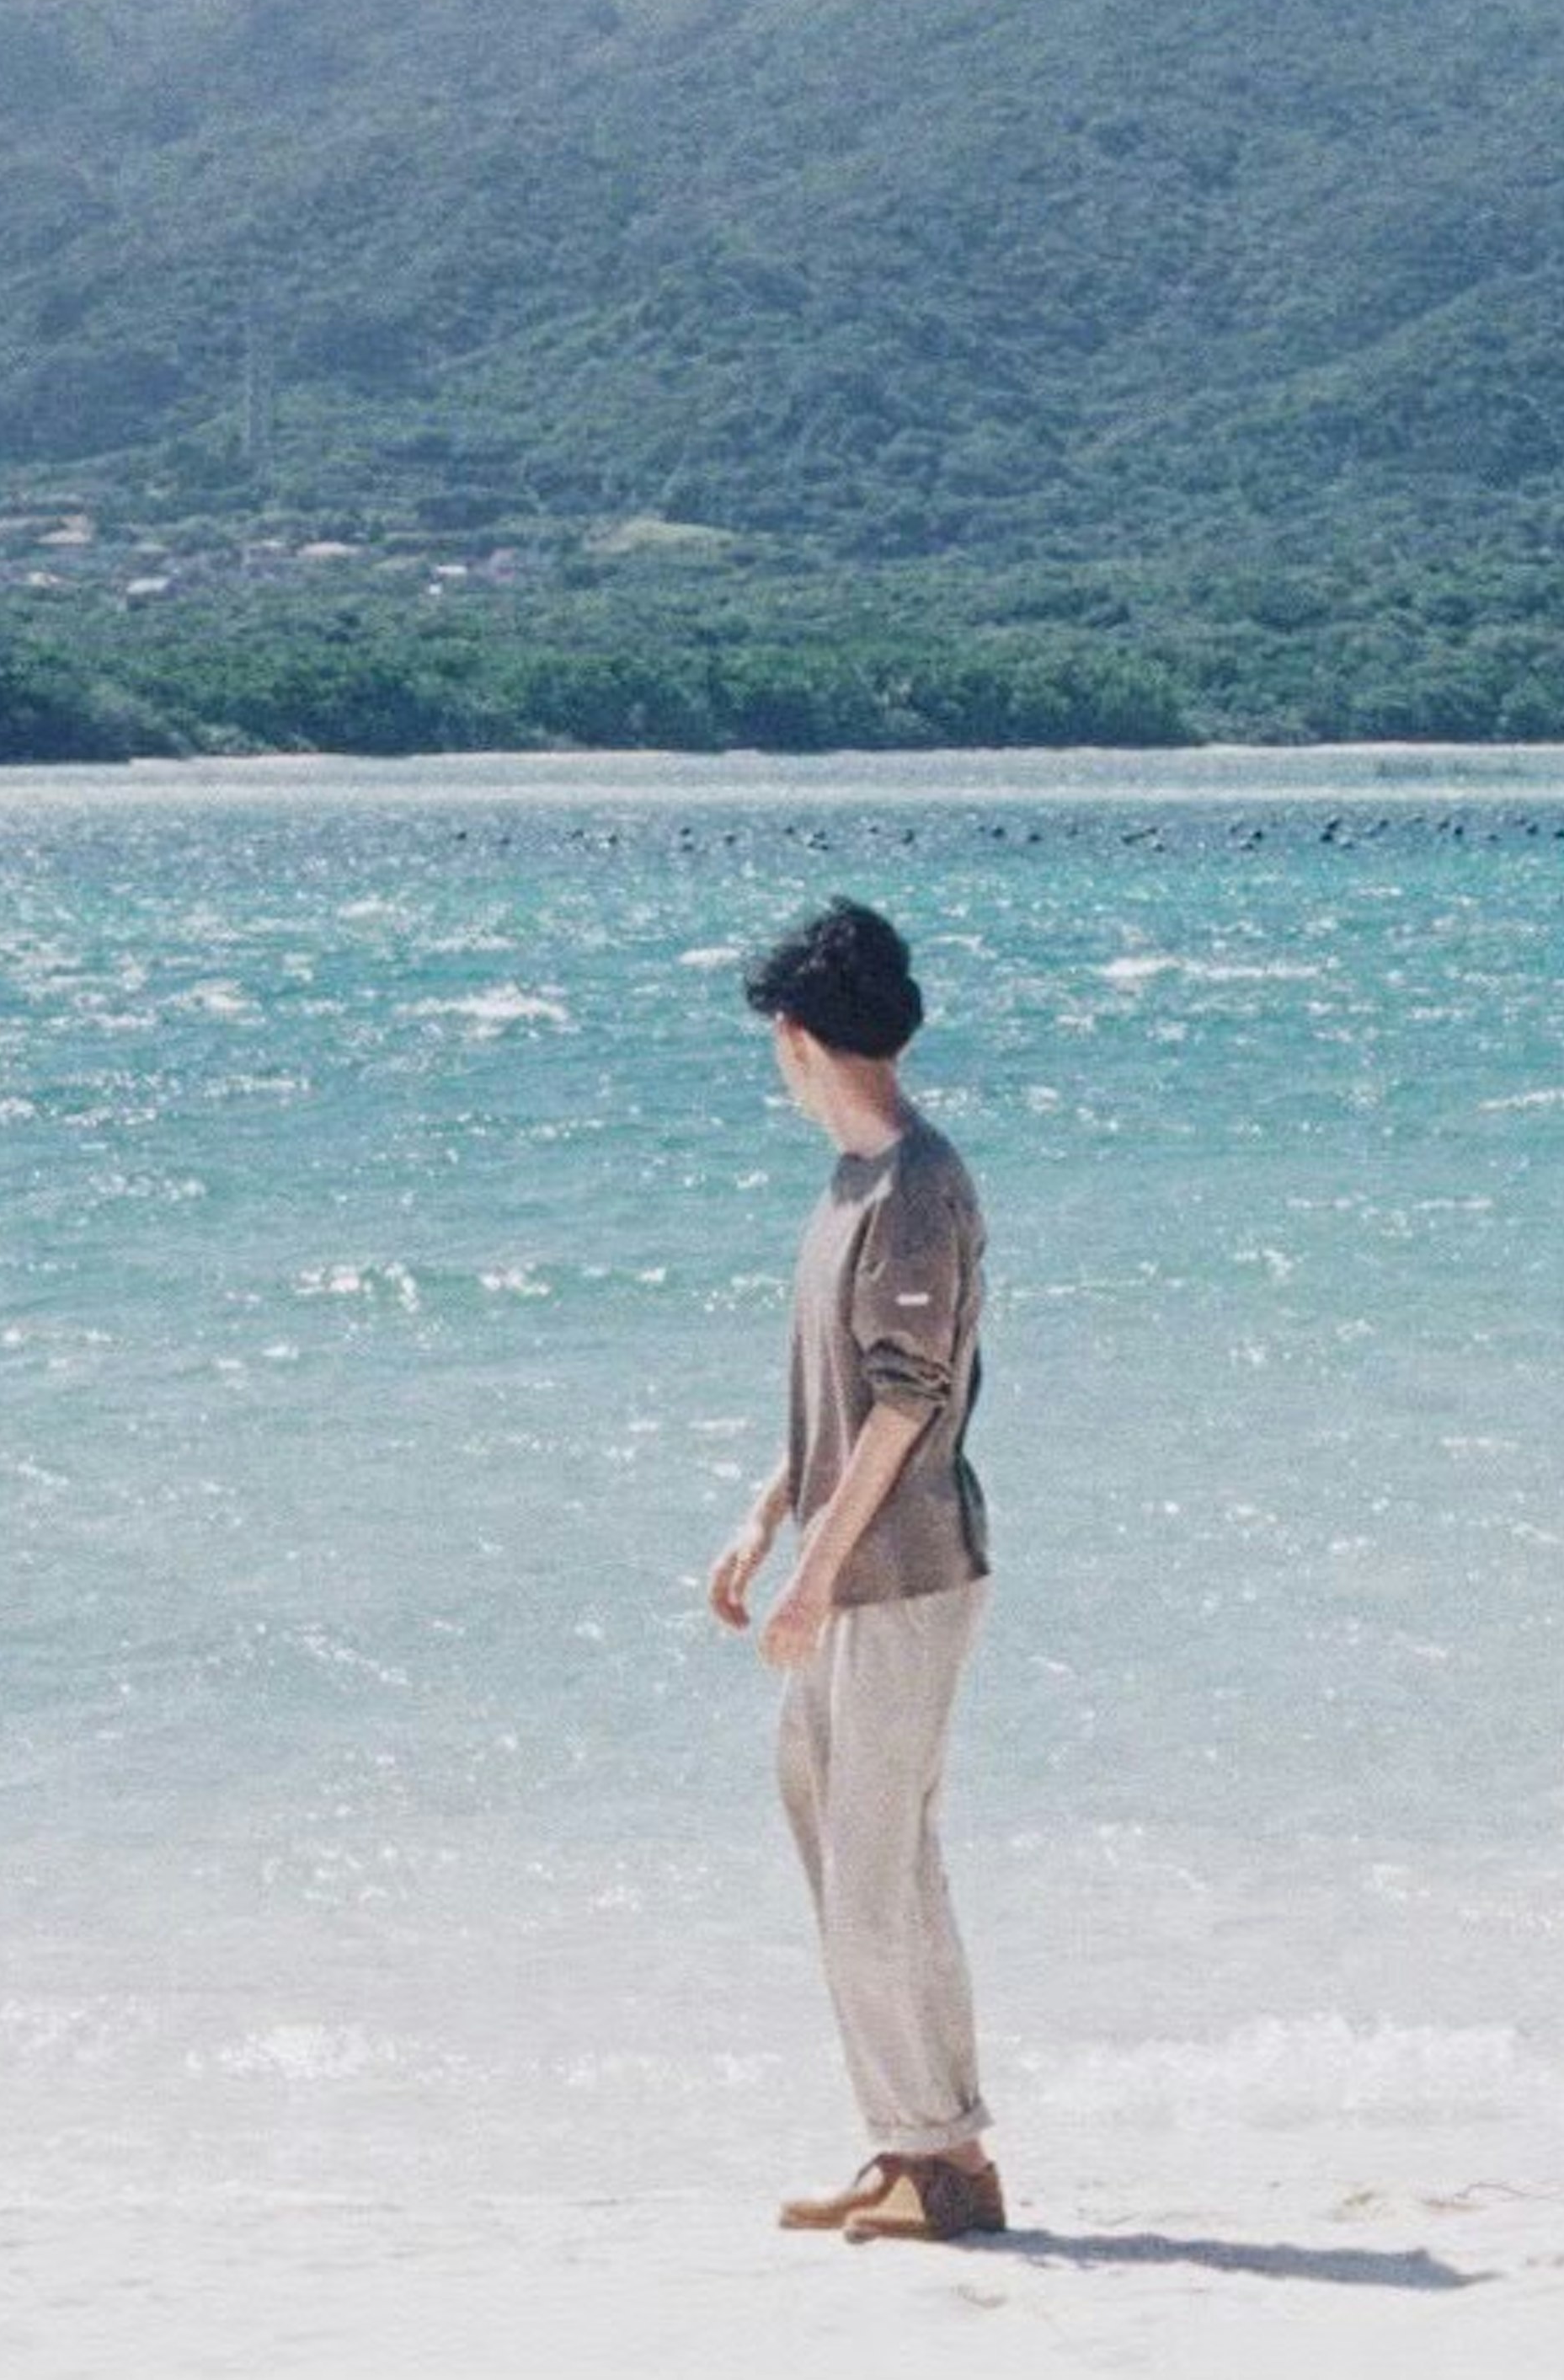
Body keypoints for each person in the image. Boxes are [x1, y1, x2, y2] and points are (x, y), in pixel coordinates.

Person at [705, 896, 1003, 2247]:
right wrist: (765, 1519)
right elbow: (838, 1405)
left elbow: (905, 1403)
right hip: (852, 1570)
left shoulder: (920, 1186)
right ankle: (923, 2147)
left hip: (904, 1575)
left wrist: (817, 1577)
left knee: (877, 1876)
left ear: (797, 1036)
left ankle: (936, 2162)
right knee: (856, 1854)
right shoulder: (851, 1186)